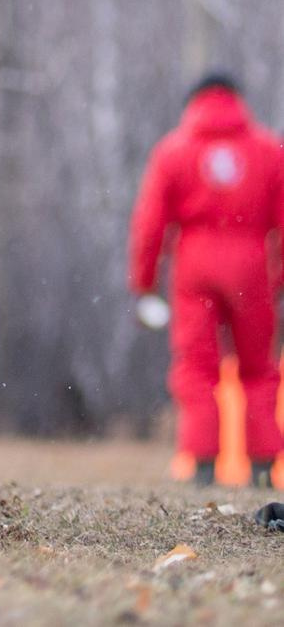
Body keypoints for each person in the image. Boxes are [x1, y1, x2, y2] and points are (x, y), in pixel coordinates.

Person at [129, 70, 284, 489]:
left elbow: (150, 225)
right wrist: (280, 274)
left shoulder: (174, 151)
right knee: (258, 370)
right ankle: (263, 465)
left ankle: (201, 464)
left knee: (197, 369)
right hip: (252, 266)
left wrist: (145, 283)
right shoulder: (269, 149)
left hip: (194, 266)